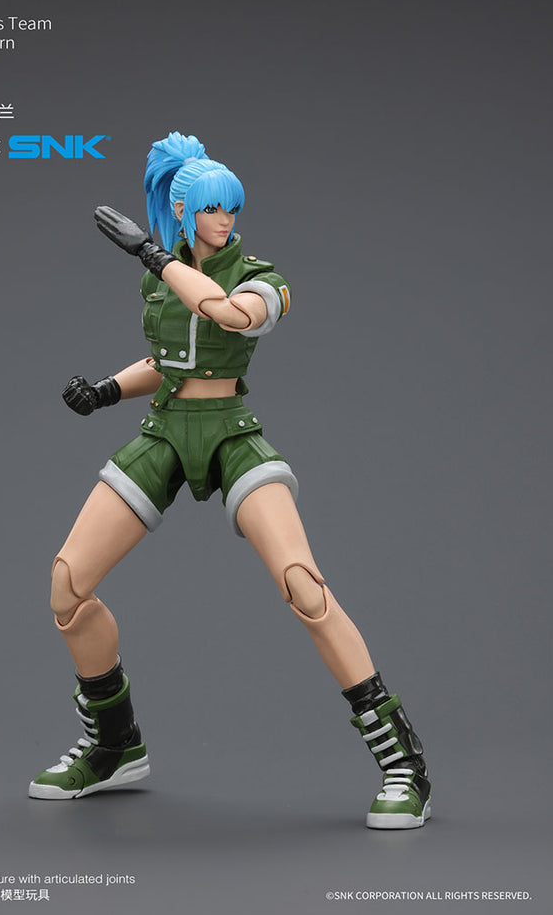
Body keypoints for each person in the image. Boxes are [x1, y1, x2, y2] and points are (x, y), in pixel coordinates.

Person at [29, 132, 431, 829]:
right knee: (68, 584)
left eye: (232, 207)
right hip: (164, 432)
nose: (226, 219)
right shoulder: (161, 276)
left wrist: (153, 254)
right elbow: (167, 361)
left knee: (304, 588)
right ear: (184, 213)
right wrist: (105, 390)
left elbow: (227, 313)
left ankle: (403, 763)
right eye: (212, 209)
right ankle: (114, 745)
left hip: (230, 435)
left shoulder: (262, 278)